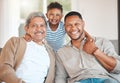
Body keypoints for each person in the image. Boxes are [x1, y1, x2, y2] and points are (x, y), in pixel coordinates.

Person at [55, 11, 120, 83]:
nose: (73, 28)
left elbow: (118, 68)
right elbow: (60, 76)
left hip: (104, 80)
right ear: (64, 27)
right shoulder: (61, 52)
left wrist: (95, 51)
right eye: (69, 25)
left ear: (83, 24)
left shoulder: (102, 42)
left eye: (77, 24)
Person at [0, 12, 55, 83]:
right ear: (26, 28)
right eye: (34, 26)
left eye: (42, 25)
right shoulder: (15, 42)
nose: (39, 29)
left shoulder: (50, 52)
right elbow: (4, 68)